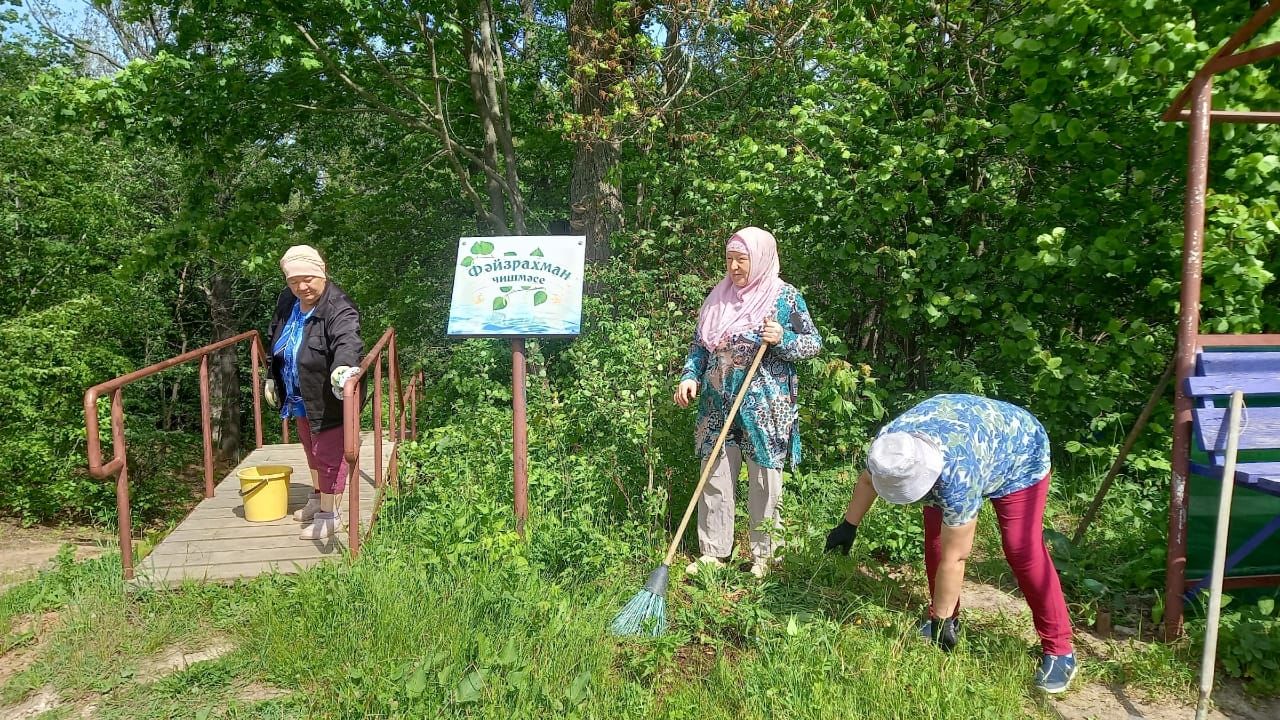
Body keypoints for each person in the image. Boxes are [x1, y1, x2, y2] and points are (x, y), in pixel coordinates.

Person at [823, 394, 1077, 694]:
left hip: (1018, 450)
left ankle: (1060, 648)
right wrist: (848, 526)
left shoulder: (957, 477)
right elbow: (868, 481)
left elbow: (956, 558)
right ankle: (946, 618)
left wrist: (940, 619)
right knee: (935, 540)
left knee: (1021, 548)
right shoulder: (890, 445)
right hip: (967, 440)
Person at [675, 226, 822, 579]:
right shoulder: (718, 299)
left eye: (742, 259)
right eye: (730, 260)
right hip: (716, 404)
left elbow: (812, 343)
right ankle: (714, 551)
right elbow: (700, 347)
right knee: (715, 473)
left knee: (764, 479)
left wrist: (782, 337)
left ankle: (765, 556)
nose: (735, 267)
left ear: (760, 259)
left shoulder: (784, 299)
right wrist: (689, 375)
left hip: (765, 407)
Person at [262, 245, 363, 540]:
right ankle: (319, 496)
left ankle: (331, 514)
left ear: (322, 273)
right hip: (297, 391)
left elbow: (348, 340)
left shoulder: (339, 305)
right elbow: (275, 336)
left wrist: (343, 368)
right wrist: (271, 376)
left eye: (308, 279)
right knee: (310, 448)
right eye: (293, 281)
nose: (301, 287)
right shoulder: (288, 300)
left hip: (326, 392)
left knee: (329, 451)